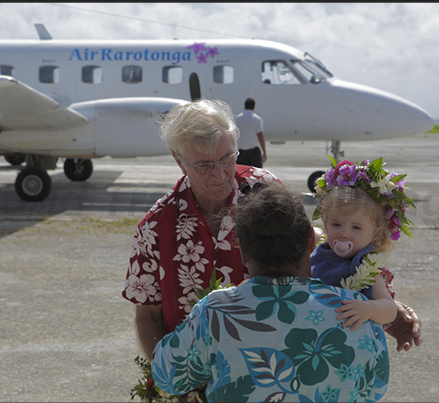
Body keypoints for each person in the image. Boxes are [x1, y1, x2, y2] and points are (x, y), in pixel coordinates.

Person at [152, 183, 390, 402]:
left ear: (242, 250)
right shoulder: (358, 310)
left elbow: (166, 376)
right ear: (311, 241)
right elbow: (376, 387)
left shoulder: (215, 312)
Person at [122, 99, 281, 360]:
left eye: (227, 158)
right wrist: (172, 378)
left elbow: (303, 271)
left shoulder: (266, 190)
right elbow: (147, 315)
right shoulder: (155, 228)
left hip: (269, 369)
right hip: (192, 382)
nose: (220, 175)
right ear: (179, 161)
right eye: (205, 166)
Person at [311, 157, 415, 332]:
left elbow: (389, 310)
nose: (343, 233)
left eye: (356, 227)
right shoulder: (318, 254)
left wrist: (369, 309)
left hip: (349, 339)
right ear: (325, 221)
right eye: (336, 224)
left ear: (376, 233)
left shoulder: (365, 267)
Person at [235, 97, 267, 168]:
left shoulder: (237, 118)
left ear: (244, 106)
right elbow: (260, 135)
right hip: (254, 152)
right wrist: (264, 152)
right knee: (256, 175)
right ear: (254, 107)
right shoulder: (257, 119)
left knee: (241, 176)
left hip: (241, 152)